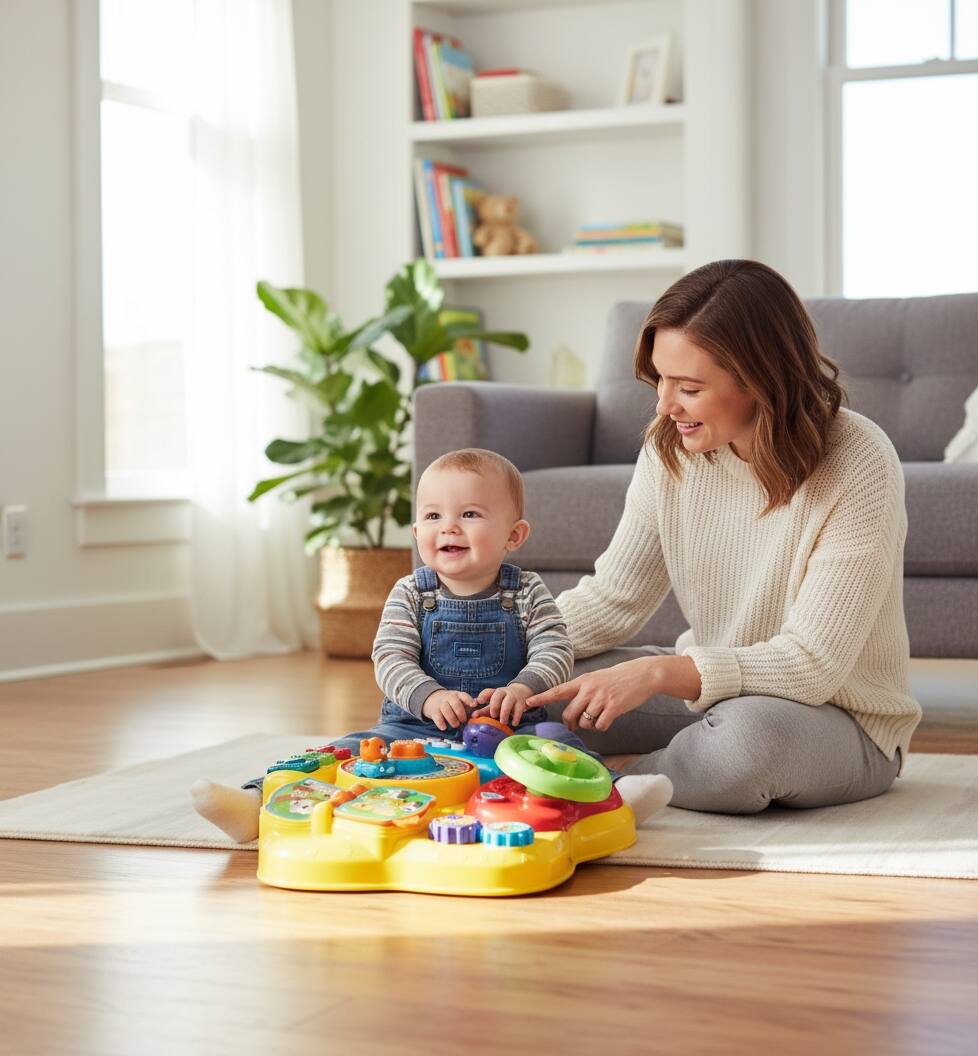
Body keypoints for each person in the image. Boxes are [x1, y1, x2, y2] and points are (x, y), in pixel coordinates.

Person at [527, 259, 922, 814]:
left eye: (688, 387)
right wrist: (513, 652)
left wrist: (660, 671)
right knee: (535, 689)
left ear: (761, 380)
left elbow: (813, 664)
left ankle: (604, 787)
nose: (664, 405)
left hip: (837, 720)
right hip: (713, 694)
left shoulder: (859, 461)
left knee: (744, 745)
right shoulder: (670, 450)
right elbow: (612, 599)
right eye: (660, 380)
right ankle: (486, 761)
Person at [193, 448, 672, 842]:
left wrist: (525, 687)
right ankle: (255, 800)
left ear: (514, 535)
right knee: (346, 750)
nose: (449, 526)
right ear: (418, 532)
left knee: (562, 746)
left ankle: (616, 795)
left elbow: (555, 649)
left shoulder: (527, 591)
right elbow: (390, 658)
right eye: (433, 516)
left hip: (512, 733)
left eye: (469, 514)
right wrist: (428, 696)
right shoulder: (411, 593)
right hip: (410, 729)